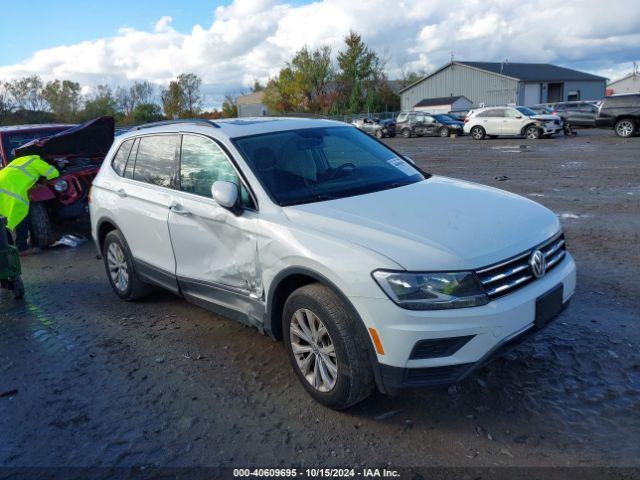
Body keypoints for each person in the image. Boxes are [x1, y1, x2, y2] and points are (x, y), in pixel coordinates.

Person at [0, 154, 59, 255]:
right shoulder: (36, 161)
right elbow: (54, 173)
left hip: (3, 185)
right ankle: (21, 248)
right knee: (21, 216)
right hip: (12, 190)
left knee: (3, 219)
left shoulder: (19, 160)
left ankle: (5, 248)